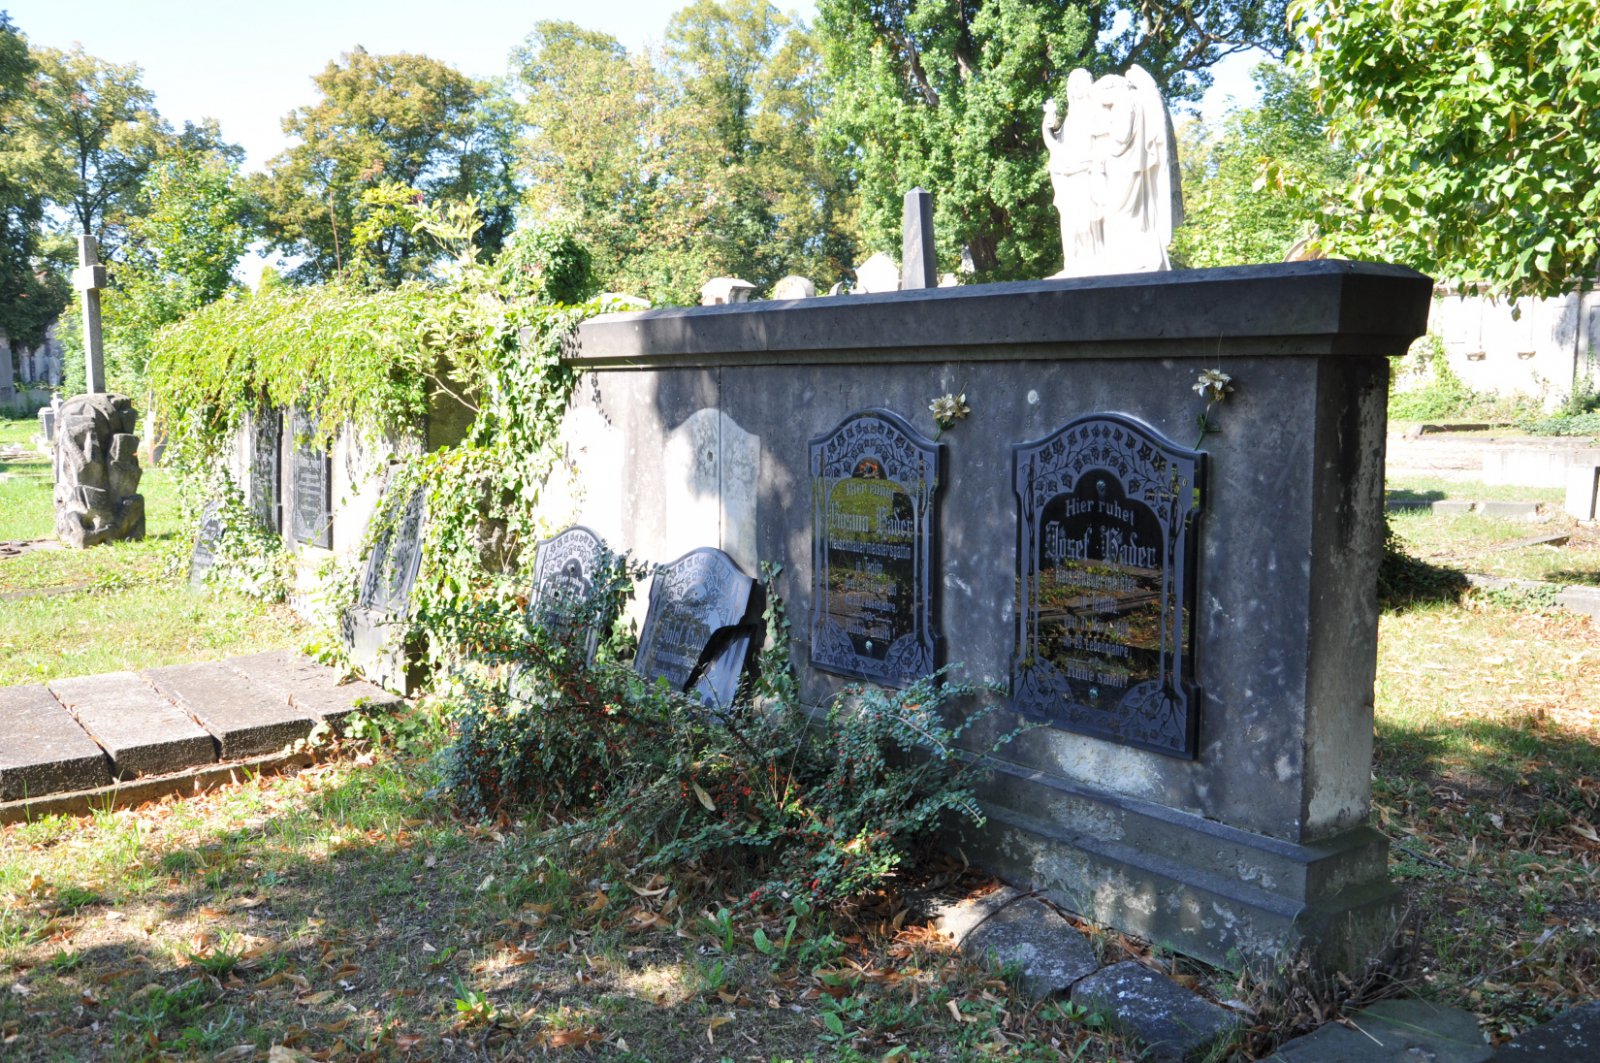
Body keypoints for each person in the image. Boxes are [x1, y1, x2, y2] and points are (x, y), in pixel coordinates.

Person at [1042, 68, 1101, 276]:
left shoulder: (1096, 114)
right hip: (1068, 178)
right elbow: (1056, 147)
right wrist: (1047, 126)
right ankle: (1075, 264)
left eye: (1079, 84)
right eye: (1072, 85)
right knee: (1071, 227)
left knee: (1086, 225)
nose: (1075, 89)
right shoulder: (1070, 119)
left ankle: (1092, 264)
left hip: (1086, 176)